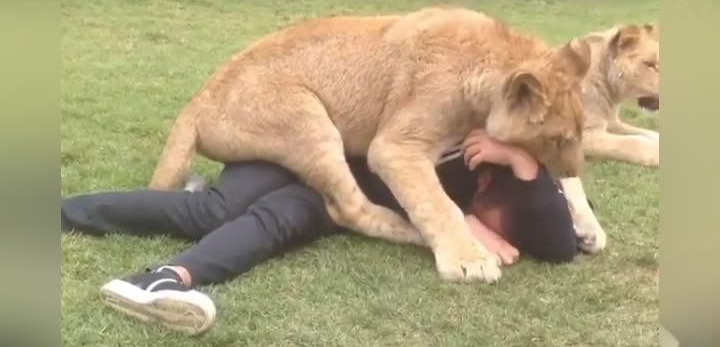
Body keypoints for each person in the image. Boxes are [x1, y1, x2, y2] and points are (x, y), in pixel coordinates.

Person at [61, 129, 589, 336]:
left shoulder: (503, 197)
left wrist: (520, 164)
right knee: (215, 212)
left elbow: (562, 247)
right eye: (505, 223)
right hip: (301, 149)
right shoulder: (451, 133)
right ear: (487, 176)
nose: (509, 244)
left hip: (331, 201)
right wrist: (509, 161)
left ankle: (162, 281)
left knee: (273, 226)